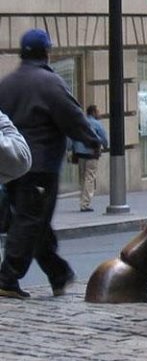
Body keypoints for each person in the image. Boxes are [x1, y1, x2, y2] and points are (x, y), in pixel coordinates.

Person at [0, 28, 101, 300]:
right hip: (40, 167)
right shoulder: (49, 82)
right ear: (46, 52)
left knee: (35, 223)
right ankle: (7, 278)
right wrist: (91, 140)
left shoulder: (7, 83)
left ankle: (59, 274)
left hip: (10, 167)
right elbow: (72, 116)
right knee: (30, 220)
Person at [70, 104, 109, 212]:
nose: (99, 114)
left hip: (80, 153)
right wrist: (105, 145)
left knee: (83, 177)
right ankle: (85, 204)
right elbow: (104, 139)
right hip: (92, 153)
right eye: (98, 112)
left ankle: (82, 201)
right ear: (93, 112)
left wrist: (73, 149)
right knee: (90, 178)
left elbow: (73, 137)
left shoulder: (81, 122)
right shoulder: (97, 124)